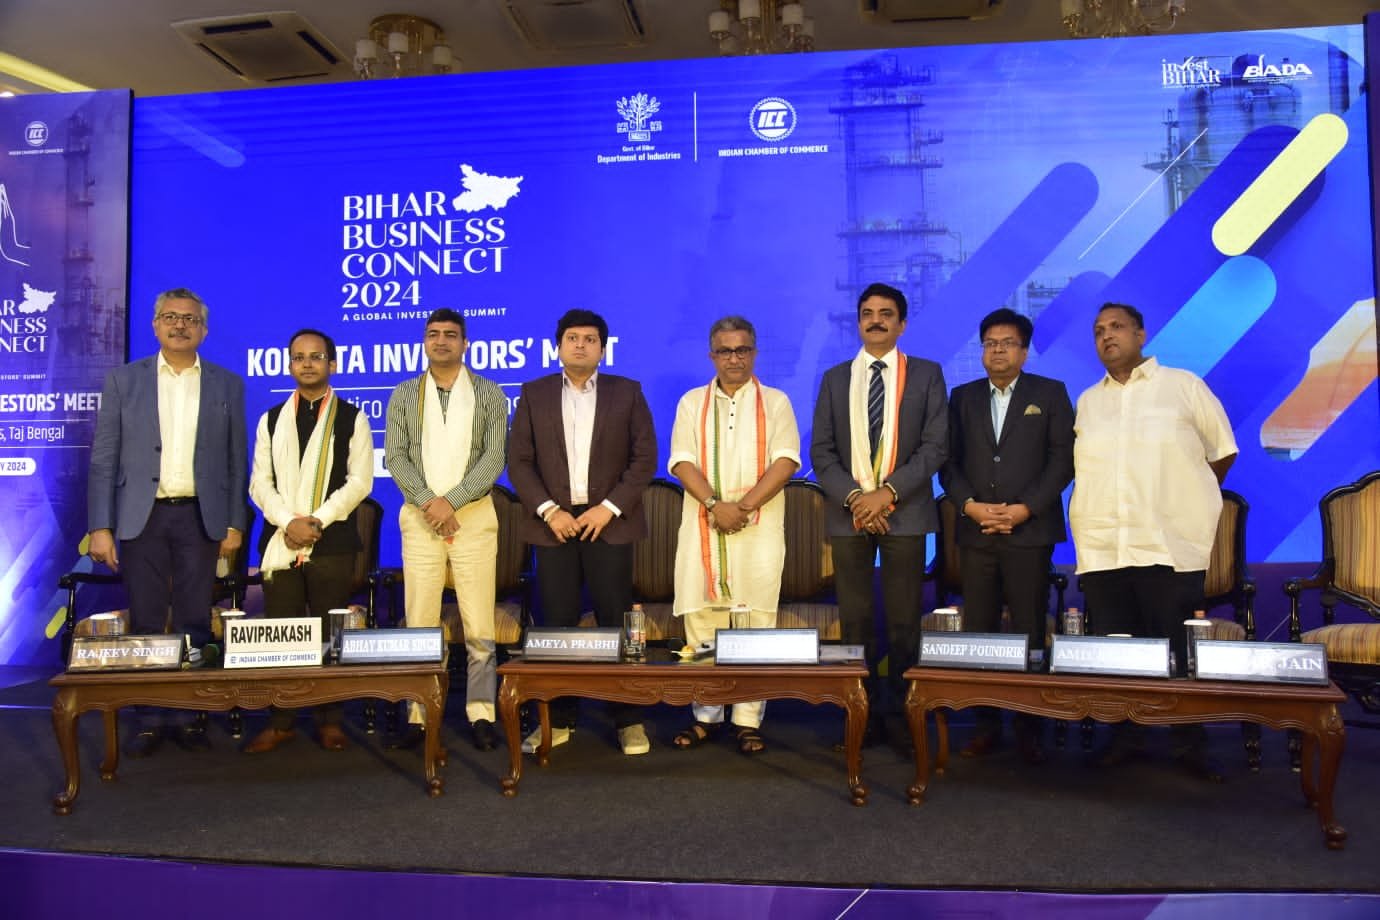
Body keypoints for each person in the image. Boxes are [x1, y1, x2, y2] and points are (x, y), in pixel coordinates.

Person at [1070, 302, 1238, 781]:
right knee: (1119, 651)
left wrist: (1185, 498)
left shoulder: (1183, 386)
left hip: (1167, 545)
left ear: (1141, 334)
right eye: (1098, 330)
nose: (1106, 336)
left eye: (1116, 327)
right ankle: (1127, 737)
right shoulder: (1089, 400)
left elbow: (1222, 453)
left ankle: (1189, 744)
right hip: (1104, 546)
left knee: (1177, 651)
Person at [87, 287, 247, 756]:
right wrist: (100, 525)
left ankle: (191, 715)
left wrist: (234, 521)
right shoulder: (124, 380)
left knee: (196, 618)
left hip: (201, 516)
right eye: (171, 317)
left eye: (190, 319)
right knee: (147, 617)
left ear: (204, 330)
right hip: (143, 516)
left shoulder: (226, 384)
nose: (180, 325)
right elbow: (104, 457)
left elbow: (236, 460)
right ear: (155, 325)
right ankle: (150, 717)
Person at [507, 308, 657, 756]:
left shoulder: (626, 392)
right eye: (572, 338)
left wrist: (607, 509)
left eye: (590, 339)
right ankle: (559, 718)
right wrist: (550, 511)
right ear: (558, 346)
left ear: (602, 349)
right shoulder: (534, 394)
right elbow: (520, 462)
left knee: (616, 621)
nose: (580, 345)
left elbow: (644, 459)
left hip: (608, 523)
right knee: (558, 624)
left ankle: (627, 718)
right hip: (553, 526)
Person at [811, 282, 948, 746]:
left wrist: (887, 494)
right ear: (858, 322)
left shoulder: (926, 375)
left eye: (885, 313)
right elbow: (822, 451)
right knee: (855, 620)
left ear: (902, 324)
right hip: (848, 513)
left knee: (905, 619)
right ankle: (861, 712)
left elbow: (935, 447)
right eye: (867, 313)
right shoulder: (835, 378)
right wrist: (857, 498)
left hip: (903, 512)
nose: (875, 320)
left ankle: (904, 713)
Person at [939, 308, 1074, 764]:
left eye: (1007, 342)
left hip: (1028, 531)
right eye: (990, 343)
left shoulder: (1049, 394)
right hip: (977, 530)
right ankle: (985, 725)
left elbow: (1062, 460)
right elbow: (948, 463)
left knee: (1028, 628)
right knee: (980, 630)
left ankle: (1028, 725)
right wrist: (970, 505)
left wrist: (1024, 508)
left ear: (1024, 350)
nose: (998, 350)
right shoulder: (962, 397)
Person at [667, 316, 800, 755]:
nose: (734, 358)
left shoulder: (776, 402)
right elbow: (681, 461)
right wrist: (714, 506)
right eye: (725, 351)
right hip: (704, 525)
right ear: (712, 356)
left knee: (755, 623)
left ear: (754, 353)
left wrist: (740, 509)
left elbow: (786, 461)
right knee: (703, 622)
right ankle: (706, 715)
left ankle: (747, 720)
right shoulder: (691, 402)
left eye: (742, 350)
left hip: (757, 531)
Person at [243, 329, 374, 754]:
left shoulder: (352, 418)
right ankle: (280, 720)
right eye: (299, 357)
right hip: (282, 540)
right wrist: (289, 523)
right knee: (282, 633)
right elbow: (259, 484)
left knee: (328, 633)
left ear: (332, 364)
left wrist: (315, 521)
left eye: (316, 356)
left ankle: (329, 720)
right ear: (290, 365)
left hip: (332, 540)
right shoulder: (271, 419)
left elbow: (360, 482)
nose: (307, 363)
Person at [384, 308, 508, 752]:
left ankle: (481, 712)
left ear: (465, 343)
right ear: (424, 341)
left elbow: (494, 457)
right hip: (421, 519)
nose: (441, 341)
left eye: (450, 334)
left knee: (479, 625)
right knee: (420, 621)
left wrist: (451, 501)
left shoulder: (490, 393)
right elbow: (396, 456)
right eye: (433, 334)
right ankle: (419, 714)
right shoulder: (404, 394)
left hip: (473, 518)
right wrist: (429, 503)